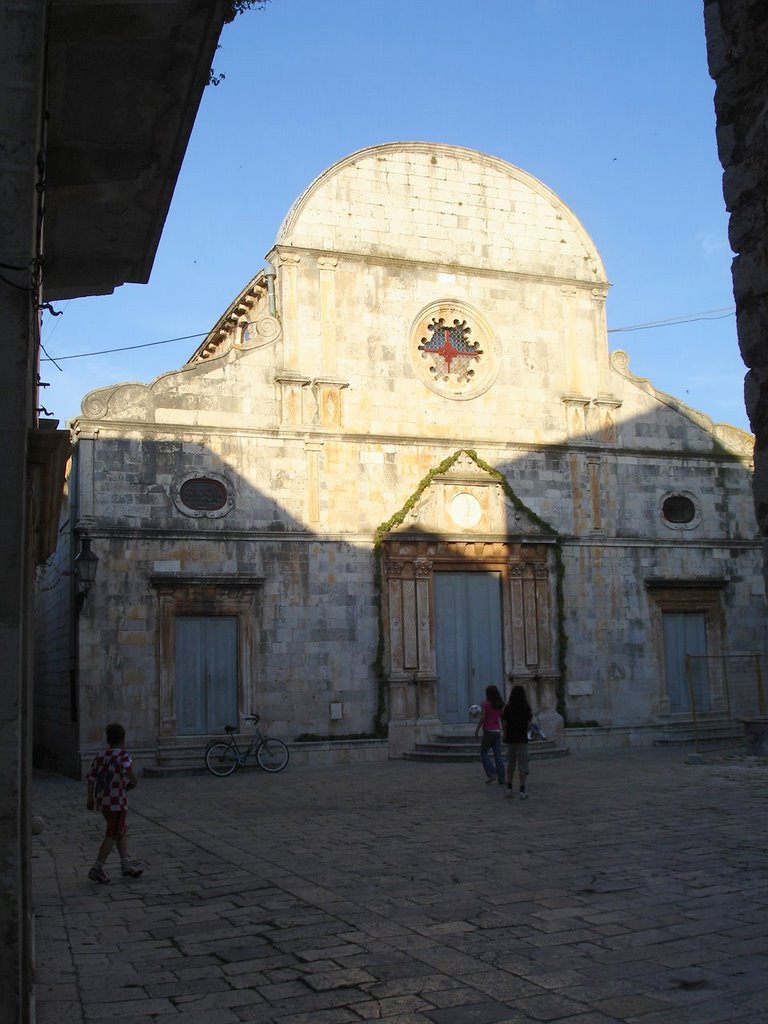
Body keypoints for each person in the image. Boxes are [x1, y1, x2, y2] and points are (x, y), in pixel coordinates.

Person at [86, 722, 143, 883]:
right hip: (117, 801)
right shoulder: (123, 755)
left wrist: (90, 798)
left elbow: (90, 778)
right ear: (123, 739)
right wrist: (134, 781)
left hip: (102, 800)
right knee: (112, 833)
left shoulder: (100, 756)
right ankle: (97, 867)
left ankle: (125, 864)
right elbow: (128, 770)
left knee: (120, 830)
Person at [503, 684, 533, 799]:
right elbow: (529, 723)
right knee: (523, 765)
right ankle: (522, 790)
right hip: (522, 738)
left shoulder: (508, 707)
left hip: (510, 738)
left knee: (510, 764)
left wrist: (505, 734)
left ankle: (509, 788)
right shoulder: (526, 707)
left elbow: (504, 723)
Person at [475, 684, 505, 784]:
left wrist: (477, 729)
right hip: (497, 732)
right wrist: (504, 732)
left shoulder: (485, 704)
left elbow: (483, 717)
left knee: (483, 753)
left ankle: (491, 773)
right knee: (498, 755)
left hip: (488, 731)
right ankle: (502, 778)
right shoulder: (500, 704)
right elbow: (503, 720)